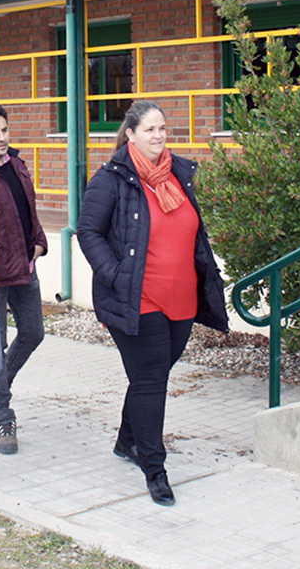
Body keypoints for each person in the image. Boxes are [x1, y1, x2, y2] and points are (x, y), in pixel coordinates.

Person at [76, 100, 228, 506]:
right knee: (151, 382)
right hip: (137, 298)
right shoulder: (111, 180)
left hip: (182, 297)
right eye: (150, 130)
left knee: (153, 374)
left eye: (163, 128)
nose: (159, 136)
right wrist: (115, 274)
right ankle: (154, 468)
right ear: (130, 134)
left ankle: (128, 440)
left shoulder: (179, 173)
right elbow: (88, 232)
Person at [0, 101, 47, 454]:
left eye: (4, 130)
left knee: (34, 333)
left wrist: (40, 243)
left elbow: (28, 211)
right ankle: (3, 416)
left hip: (24, 268)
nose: (2, 138)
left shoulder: (17, 165)